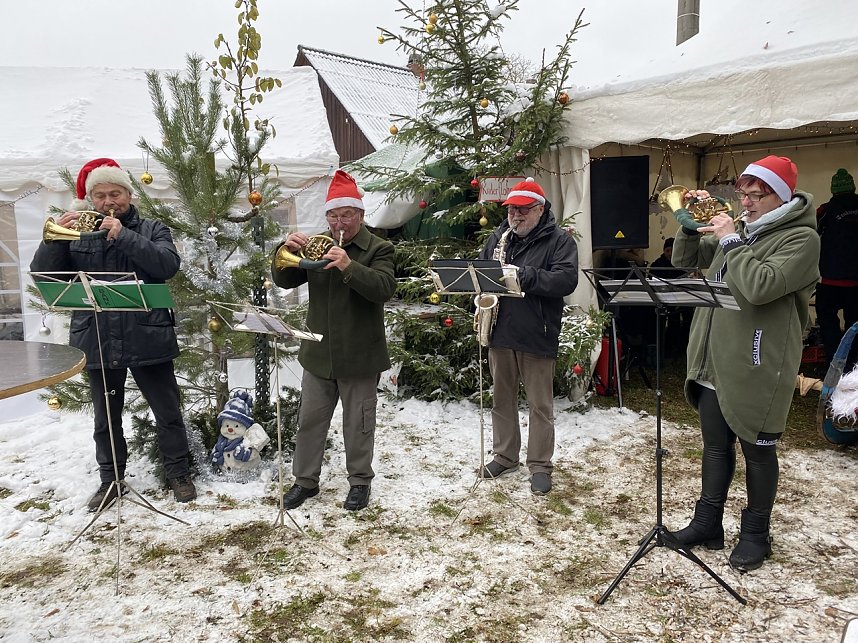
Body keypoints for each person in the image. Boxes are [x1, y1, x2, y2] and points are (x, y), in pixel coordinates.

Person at [666, 155, 820, 571]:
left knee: (758, 450)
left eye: (757, 196)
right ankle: (707, 523)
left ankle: (755, 534)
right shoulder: (745, 229)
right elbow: (685, 259)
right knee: (715, 446)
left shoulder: (801, 239)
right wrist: (689, 223)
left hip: (758, 358)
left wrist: (732, 239)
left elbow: (760, 286)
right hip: (716, 355)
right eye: (745, 195)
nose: (747, 203)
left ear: (781, 196)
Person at [30, 158, 196, 511]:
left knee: (166, 411)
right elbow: (47, 276)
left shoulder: (152, 228)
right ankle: (111, 479)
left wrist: (124, 236)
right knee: (106, 417)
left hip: (148, 335)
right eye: (101, 195)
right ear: (91, 200)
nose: (109, 202)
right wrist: (56, 239)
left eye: (115, 194)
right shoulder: (76, 233)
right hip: (98, 337)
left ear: (129, 194)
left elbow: (167, 265)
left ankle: (179, 473)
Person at [271, 169, 396, 511]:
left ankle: (359, 481)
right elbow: (285, 279)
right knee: (310, 421)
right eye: (333, 215)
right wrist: (285, 250)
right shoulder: (317, 244)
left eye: (346, 215)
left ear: (360, 215)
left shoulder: (379, 248)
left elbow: (384, 289)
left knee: (358, 424)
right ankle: (305, 481)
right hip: (319, 353)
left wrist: (348, 267)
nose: (339, 223)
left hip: (360, 355)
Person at [477, 177, 579, 495]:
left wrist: (522, 276)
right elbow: (482, 269)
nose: (515, 217)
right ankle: (505, 456)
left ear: (539, 209)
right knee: (501, 400)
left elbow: (565, 280)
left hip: (537, 332)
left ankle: (539, 465)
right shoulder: (500, 236)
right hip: (501, 329)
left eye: (522, 211)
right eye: (511, 211)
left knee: (539, 405)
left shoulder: (560, 241)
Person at [815, 168, 858, 368]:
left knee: (828, 324)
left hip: (830, 280)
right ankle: (854, 365)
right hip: (856, 282)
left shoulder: (825, 210)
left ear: (833, 190)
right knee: (855, 326)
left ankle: (834, 363)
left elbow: (810, 234)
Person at [650, 237, 691, 357]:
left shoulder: (682, 263)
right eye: (667, 251)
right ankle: (668, 347)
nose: (670, 254)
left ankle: (684, 346)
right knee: (668, 318)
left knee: (688, 315)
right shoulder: (657, 264)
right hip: (663, 299)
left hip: (683, 298)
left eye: (672, 250)